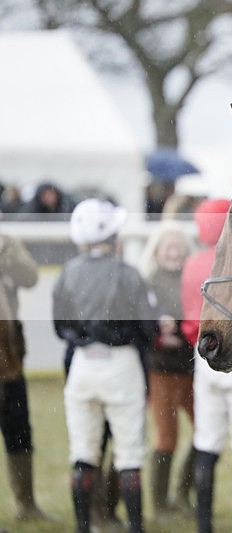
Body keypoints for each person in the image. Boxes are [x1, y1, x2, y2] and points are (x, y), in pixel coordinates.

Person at [52, 198, 159, 533]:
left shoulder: (68, 271)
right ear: (113, 235)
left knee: (83, 453)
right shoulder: (128, 273)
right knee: (129, 456)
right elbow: (148, 329)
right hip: (122, 364)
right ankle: (135, 527)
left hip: (84, 364)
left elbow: (60, 327)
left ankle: (84, 527)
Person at [181, 198, 232, 533]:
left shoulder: (191, 264)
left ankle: (205, 524)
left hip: (203, 358)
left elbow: (191, 317)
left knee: (207, 443)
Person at [138, 220, 196, 518]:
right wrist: (160, 332)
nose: (174, 253)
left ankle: (184, 493)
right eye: (168, 247)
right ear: (157, 251)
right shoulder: (147, 281)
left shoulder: (195, 278)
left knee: (205, 432)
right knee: (166, 436)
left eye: (179, 247)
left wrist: (184, 331)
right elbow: (144, 324)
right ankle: (160, 504)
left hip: (193, 368)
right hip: (161, 370)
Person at [0, 230, 52, 522]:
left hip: (10, 359)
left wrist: (5, 251)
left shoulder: (8, 244)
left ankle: (26, 504)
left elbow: (30, 277)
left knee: (19, 431)